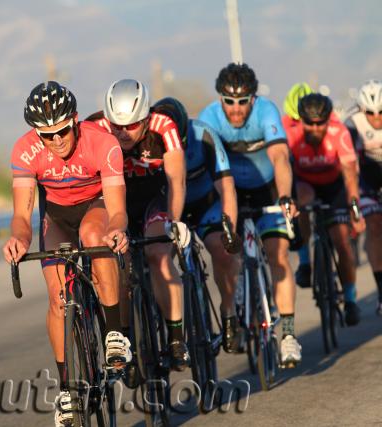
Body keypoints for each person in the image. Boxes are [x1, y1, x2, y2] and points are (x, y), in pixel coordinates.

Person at [2, 81, 131, 427]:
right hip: (56, 215)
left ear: (74, 120)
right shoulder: (25, 152)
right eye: (47, 135)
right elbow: (21, 216)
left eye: (62, 130)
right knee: (59, 298)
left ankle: (113, 333)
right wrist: (17, 240)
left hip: (97, 206)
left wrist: (117, 230)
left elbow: (118, 211)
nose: (57, 140)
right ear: (36, 134)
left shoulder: (102, 143)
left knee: (93, 235)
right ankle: (66, 389)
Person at [198, 63, 302, 367]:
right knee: (225, 252)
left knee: (278, 254)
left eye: (243, 101)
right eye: (229, 101)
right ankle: (230, 312)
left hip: (267, 189)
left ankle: (288, 335)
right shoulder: (209, 119)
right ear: (220, 100)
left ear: (253, 100)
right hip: (228, 192)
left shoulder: (266, 112)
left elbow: (280, 156)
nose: (236, 109)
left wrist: (285, 196)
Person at [86, 79, 191, 372]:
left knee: (158, 254)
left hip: (153, 200)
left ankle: (175, 337)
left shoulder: (163, 126)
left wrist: (174, 221)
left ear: (145, 117)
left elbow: (176, 181)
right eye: (116, 126)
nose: (123, 133)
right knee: (120, 268)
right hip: (116, 203)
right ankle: (126, 337)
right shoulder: (95, 128)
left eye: (131, 126)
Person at [156, 97, 243, 353]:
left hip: (206, 205)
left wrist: (231, 230)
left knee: (223, 252)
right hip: (172, 209)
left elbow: (226, 187)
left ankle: (228, 312)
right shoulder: (150, 141)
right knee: (156, 260)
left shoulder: (204, 134)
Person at [287, 93, 366, 325]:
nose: (314, 128)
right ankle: (305, 263)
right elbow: (284, 172)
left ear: (328, 120)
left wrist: (354, 208)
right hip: (306, 184)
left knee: (342, 241)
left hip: (335, 187)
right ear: (300, 120)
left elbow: (350, 175)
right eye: (309, 123)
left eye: (320, 123)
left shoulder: (339, 133)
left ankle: (350, 299)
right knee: (301, 202)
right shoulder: (291, 136)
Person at [345, 79, 382, 315]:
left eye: (381, 113)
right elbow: (348, 163)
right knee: (375, 225)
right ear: (361, 109)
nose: (377, 118)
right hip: (366, 179)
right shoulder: (352, 123)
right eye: (371, 113)